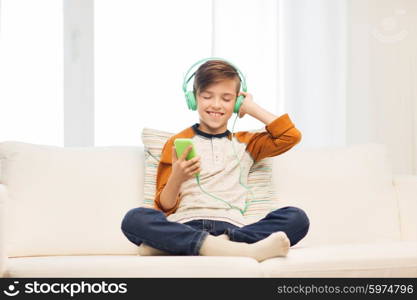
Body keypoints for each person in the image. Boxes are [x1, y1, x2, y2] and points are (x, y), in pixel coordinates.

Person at [121, 58, 309, 262]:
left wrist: (251, 107)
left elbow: (291, 136)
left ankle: (185, 246)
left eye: (227, 99)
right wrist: (177, 176)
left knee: (297, 218)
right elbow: (164, 207)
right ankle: (239, 250)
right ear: (194, 99)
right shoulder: (177, 142)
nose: (216, 105)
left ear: (237, 102)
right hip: (185, 224)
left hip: (233, 228)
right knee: (134, 219)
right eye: (207, 96)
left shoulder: (248, 143)